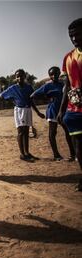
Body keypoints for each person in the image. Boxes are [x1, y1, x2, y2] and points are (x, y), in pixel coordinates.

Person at [0, 69, 45, 162]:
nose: (19, 78)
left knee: (27, 131)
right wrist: (12, 99)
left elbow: (31, 100)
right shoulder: (13, 88)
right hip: (19, 110)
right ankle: (22, 154)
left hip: (28, 109)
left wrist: (37, 112)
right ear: (15, 78)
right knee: (21, 132)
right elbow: (1, 95)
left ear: (25, 76)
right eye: (17, 76)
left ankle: (27, 153)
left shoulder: (29, 87)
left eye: (21, 76)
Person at [58, 18, 82, 191]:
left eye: (77, 34)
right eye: (71, 36)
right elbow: (67, 85)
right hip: (74, 110)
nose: (74, 38)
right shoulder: (68, 57)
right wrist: (61, 110)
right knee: (79, 145)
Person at [31, 66, 75, 161]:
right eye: (52, 74)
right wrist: (46, 97)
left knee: (68, 132)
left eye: (56, 73)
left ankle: (73, 154)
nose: (54, 76)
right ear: (49, 76)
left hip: (63, 111)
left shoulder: (63, 84)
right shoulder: (47, 86)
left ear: (59, 73)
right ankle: (56, 155)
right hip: (52, 111)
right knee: (52, 133)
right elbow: (33, 95)